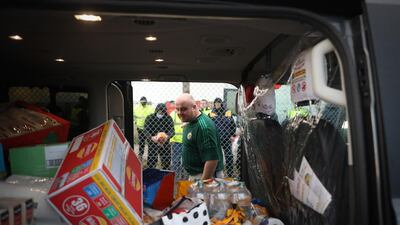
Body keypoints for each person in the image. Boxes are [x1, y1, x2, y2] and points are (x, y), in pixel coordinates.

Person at [175, 93, 224, 180]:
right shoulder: (191, 120)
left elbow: (212, 160)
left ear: (194, 107)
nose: (179, 113)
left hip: (205, 176)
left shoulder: (204, 127)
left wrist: (201, 186)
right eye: (177, 109)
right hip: (196, 175)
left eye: (183, 109)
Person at [209, 97, 236, 177]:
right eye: (215, 103)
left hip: (227, 139)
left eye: (218, 103)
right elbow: (209, 127)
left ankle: (230, 173)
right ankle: (215, 172)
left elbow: (233, 125)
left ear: (221, 104)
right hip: (216, 139)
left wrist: (232, 135)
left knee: (229, 156)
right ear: (214, 104)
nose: (217, 104)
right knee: (215, 156)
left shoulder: (228, 112)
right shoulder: (211, 114)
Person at [144, 103, 174, 169]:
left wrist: (167, 136)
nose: (161, 114)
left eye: (163, 112)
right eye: (160, 112)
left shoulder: (168, 118)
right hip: (153, 143)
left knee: (166, 162)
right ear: (156, 111)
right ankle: (151, 173)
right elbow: (145, 130)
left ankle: (165, 173)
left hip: (165, 143)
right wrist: (151, 137)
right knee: (151, 162)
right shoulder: (150, 118)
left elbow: (172, 131)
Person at [170, 107, 184, 180]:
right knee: (176, 161)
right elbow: (169, 127)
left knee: (185, 161)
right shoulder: (173, 114)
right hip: (176, 141)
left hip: (186, 141)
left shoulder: (187, 112)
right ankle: (175, 178)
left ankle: (184, 178)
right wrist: (172, 139)